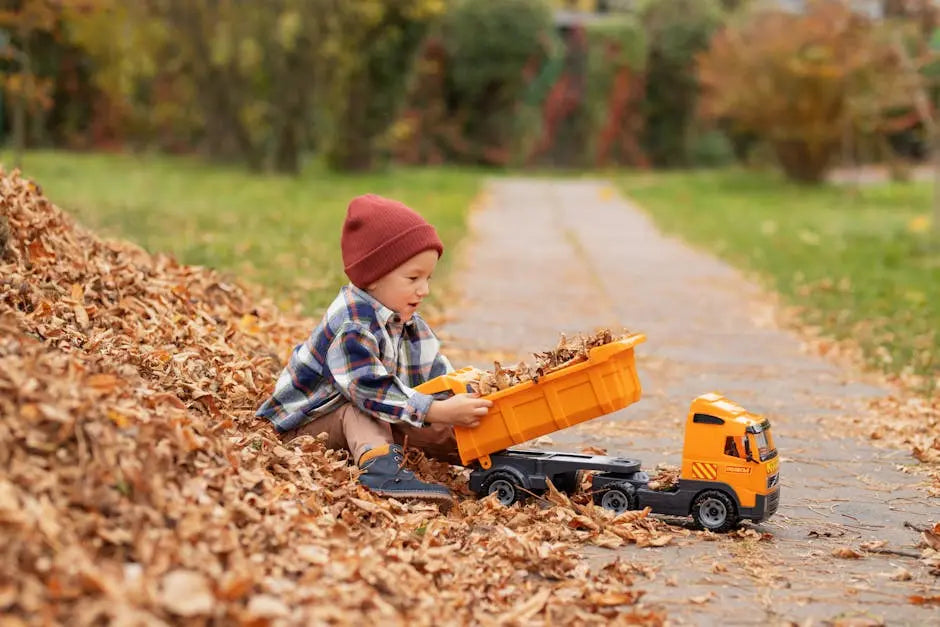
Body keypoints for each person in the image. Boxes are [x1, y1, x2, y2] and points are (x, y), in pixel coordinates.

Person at [256, 193, 492, 504]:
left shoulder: (407, 321)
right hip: (307, 426)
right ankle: (380, 473)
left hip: (374, 415)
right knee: (365, 408)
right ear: (374, 277)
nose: (424, 289)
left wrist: (467, 399)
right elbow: (368, 389)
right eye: (413, 278)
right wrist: (436, 410)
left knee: (431, 415)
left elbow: (436, 377)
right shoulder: (352, 323)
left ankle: (490, 460)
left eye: (428, 278)